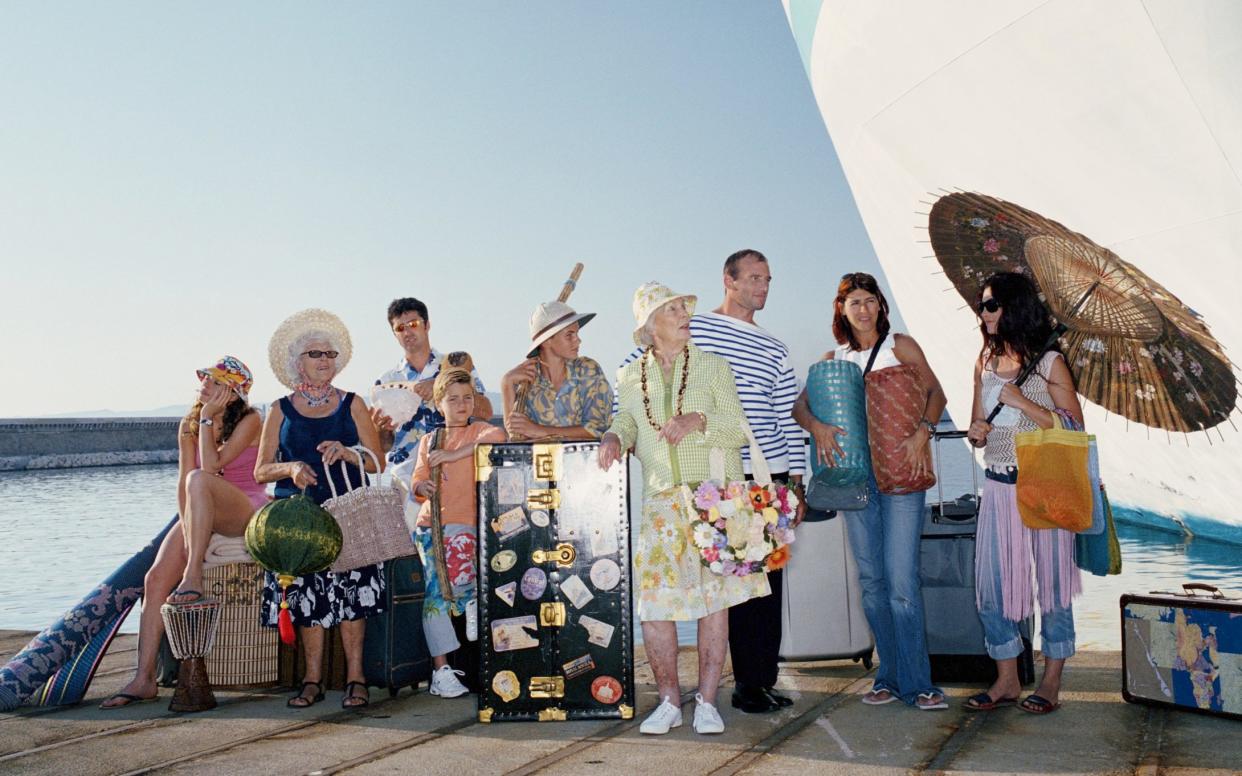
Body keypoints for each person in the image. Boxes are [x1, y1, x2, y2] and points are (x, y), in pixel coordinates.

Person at [599, 282, 770, 736]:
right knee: (655, 607)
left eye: (682, 307)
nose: (682, 313)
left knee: (716, 605)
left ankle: (708, 703)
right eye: (672, 309)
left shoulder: (714, 366)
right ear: (651, 325)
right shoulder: (628, 377)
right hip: (660, 500)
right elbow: (627, 419)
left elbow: (738, 427)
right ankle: (669, 702)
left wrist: (700, 420)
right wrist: (615, 436)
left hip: (713, 498)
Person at [793, 272, 948, 710]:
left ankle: (920, 683)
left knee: (901, 583)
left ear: (881, 305)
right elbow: (799, 406)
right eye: (853, 302)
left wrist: (924, 430)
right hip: (857, 482)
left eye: (869, 300)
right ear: (841, 309)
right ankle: (889, 676)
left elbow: (936, 393)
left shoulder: (901, 345)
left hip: (902, 474)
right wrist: (818, 428)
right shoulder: (834, 359)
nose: (862, 309)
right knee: (872, 584)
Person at [100, 357, 266, 709]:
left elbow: (211, 467)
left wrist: (208, 420)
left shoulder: (251, 420)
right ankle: (144, 678)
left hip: (243, 505)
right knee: (155, 578)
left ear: (232, 391)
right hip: (200, 503)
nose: (204, 382)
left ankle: (193, 577)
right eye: (204, 377)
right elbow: (183, 485)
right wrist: (190, 535)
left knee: (199, 479)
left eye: (213, 379)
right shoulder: (189, 423)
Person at [964, 271, 1083, 715]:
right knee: (991, 588)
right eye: (982, 306)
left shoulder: (1050, 362)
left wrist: (1025, 404)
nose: (984, 313)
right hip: (998, 485)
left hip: (1046, 487)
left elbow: (1074, 426)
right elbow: (978, 432)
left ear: (1014, 308)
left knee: (1052, 588)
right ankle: (1007, 679)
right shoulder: (984, 362)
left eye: (991, 305)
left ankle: (1050, 682)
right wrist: (977, 432)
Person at [254, 308, 386, 710]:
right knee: (308, 601)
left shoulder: (354, 404)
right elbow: (262, 470)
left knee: (352, 598)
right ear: (298, 361)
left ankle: (356, 679)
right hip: (299, 522)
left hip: (349, 513)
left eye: (330, 354)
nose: (325, 360)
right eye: (315, 354)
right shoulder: (278, 409)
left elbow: (376, 461)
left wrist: (349, 452)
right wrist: (291, 467)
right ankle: (311, 680)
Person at [410, 369, 507, 698]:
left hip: (469, 526)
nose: (461, 404)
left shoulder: (480, 431)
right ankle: (441, 670)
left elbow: (499, 439)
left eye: (467, 398)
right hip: (432, 528)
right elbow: (417, 483)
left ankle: (467, 608)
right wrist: (423, 485)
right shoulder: (429, 440)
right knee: (437, 594)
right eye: (453, 399)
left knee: (464, 585)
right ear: (439, 405)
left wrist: (455, 455)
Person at [372, 297, 492, 483]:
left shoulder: (456, 365)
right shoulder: (386, 381)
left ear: (427, 325)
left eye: (413, 324)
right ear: (394, 334)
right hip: (406, 479)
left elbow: (485, 412)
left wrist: (440, 385)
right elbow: (385, 446)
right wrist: (382, 430)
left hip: (457, 468)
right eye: (400, 328)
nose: (407, 332)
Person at [500, 300, 612, 440]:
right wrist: (506, 385)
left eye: (577, 333)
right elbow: (517, 436)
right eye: (569, 335)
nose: (578, 340)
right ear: (547, 341)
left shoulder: (587, 370)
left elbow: (599, 428)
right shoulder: (527, 383)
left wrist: (541, 431)